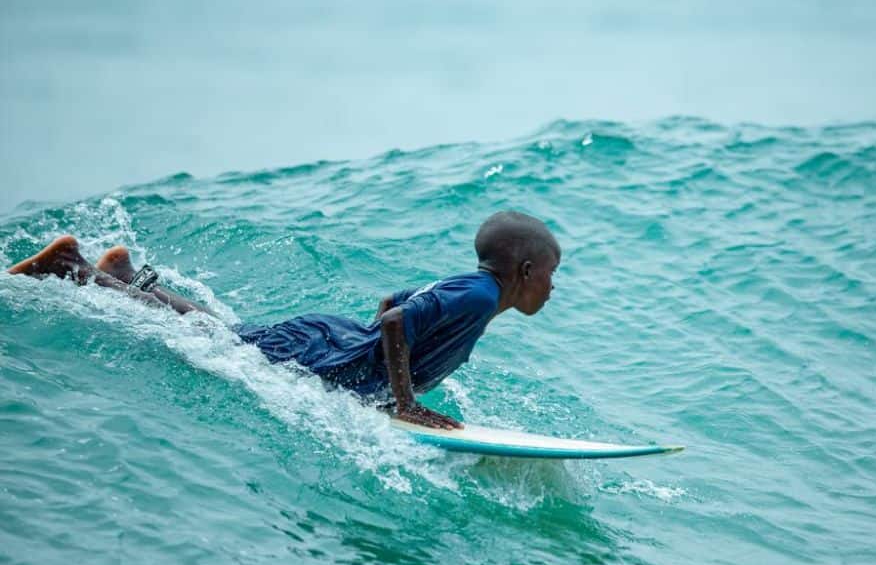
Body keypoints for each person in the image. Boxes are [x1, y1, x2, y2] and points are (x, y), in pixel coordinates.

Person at [6, 211, 560, 430]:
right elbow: (394, 319)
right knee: (216, 339)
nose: (552, 287)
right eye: (551, 275)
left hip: (336, 341)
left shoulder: (471, 289)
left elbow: (394, 301)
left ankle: (124, 275)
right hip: (331, 351)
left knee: (225, 335)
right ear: (526, 269)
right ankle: (74, 269)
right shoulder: (480, 298)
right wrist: (404, 402)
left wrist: (380, 370)